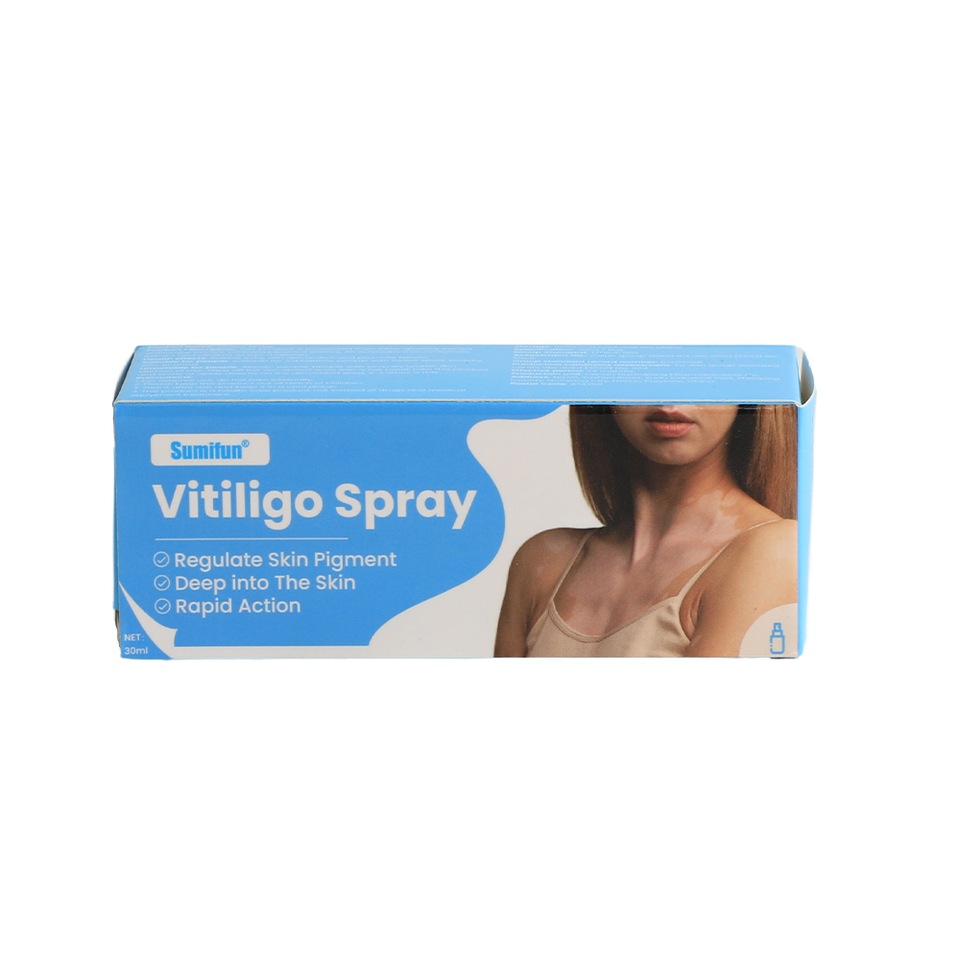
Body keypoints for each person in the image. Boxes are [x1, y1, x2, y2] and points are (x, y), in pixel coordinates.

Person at [494, 404, 798, 657]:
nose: (670, 398)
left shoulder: (774, 552)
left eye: (698, 365)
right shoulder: (542, 562)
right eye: (647, 365)